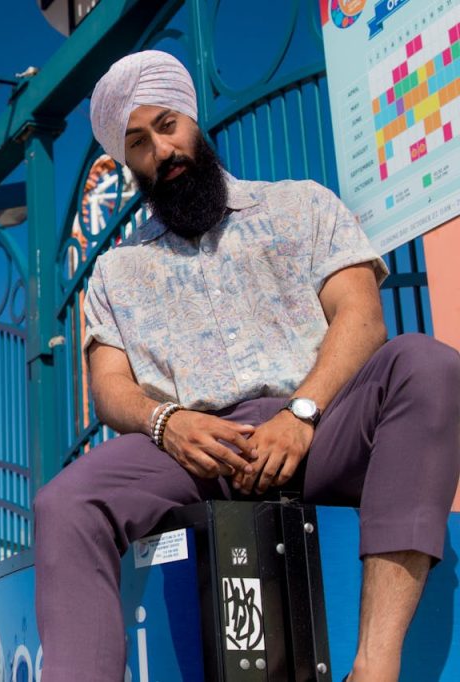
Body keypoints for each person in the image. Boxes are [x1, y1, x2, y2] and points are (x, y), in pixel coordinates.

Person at [33, 50, 460, 682]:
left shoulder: (300, 207)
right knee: (63, 503)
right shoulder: (116, 272)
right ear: (130, 164)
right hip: (196, 452)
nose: (163, 150)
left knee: (427, 364)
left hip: (321, 428)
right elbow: (109, 388)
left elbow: (362, 318)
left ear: (193, 122)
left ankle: (374, 666)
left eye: (168, 124)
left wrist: (302, 413)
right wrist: (167, 424)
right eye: (139, 143)